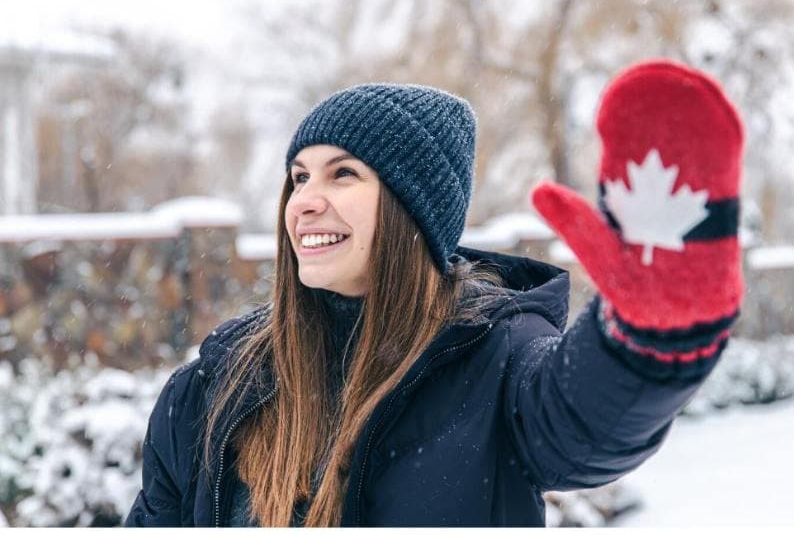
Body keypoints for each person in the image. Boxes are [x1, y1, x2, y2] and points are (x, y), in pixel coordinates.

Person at [125, 60, 743, 527]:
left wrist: (645, 337)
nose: (305, 199)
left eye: (344, 174)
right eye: (299, 176)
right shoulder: (212, 389)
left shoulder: (497, 362)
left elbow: (586, 423)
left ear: (410, 212)